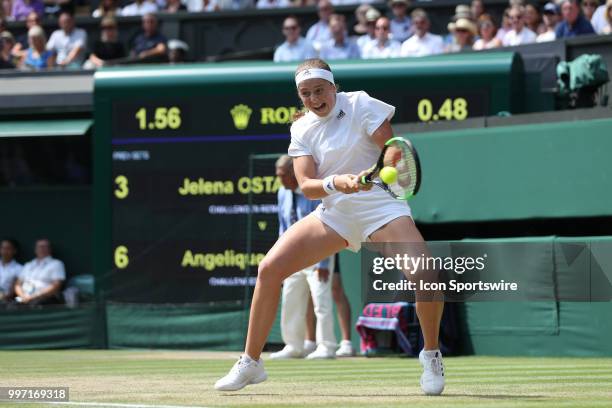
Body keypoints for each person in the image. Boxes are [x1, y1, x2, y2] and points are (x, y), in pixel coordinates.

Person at [214, 58, 446, 396]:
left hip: (381, 208)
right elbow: (306, 184)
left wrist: (377, 172)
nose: (313, 99)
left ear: (333, 87)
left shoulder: (361, 104)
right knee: (268, 269)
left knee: (425, 275)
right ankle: (251, 362)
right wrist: (339, 182)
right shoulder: (301, 128)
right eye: (305, 94)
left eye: (319, 90)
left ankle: (431, 354)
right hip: (334, 214)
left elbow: (392, 153)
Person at [269, 155, 337, 360]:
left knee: (321, 301)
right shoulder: (282, 193)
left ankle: (327, 346)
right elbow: (283, 227)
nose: (280, 180)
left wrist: (324, 261)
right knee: (290, 298)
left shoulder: (313, 191)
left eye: (282, 175)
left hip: (319, 254)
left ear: (293, 173)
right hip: (293, 256)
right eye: (278, 176)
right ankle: (293, 345)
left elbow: (326, 225)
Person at [14, 238, 65, 305]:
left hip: (44, 299)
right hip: (24, 298)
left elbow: (56, 286)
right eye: (39, 247)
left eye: (45, 247)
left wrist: (33, 296)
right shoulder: (28, 265)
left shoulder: (56, 264)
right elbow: (18, 284)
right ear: (35, 249)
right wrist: (23, 296)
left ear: (50, 249)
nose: (42, 249)